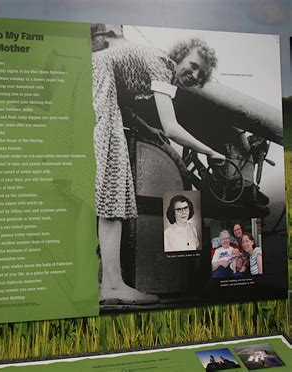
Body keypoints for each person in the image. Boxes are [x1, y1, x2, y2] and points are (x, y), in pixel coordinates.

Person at [91, 23, 224, 304]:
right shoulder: (162, 63)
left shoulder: (153, 63)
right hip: (99, 89)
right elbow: (172, 127)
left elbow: (127, 101)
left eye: (200, 72)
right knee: (113, 189)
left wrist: (152, 132)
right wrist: (210, 151)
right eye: (193, 64)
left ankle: (111, 282)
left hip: (100, 90)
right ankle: (112, 285)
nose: (194, 73)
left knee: (112, 192)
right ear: (181, 54)